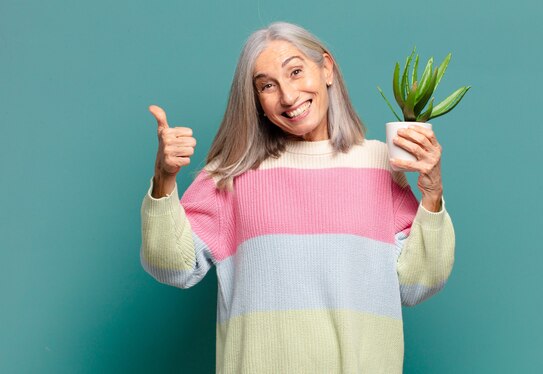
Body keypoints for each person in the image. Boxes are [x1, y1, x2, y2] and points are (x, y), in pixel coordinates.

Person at [140, 21, 455, 373]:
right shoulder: (232, 174)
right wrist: (164, 178)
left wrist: (432, 192)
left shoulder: (380, 164)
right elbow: (173, 267)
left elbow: (418, 284)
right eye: (268, 86)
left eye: (295, 72)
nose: (288, 96)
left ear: (327, 69)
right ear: (257, 101)